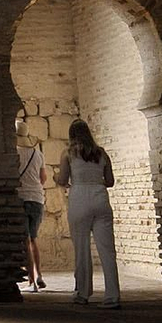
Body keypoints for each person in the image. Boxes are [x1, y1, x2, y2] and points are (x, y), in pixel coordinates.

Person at [53, 119, 120, 309]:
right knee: (107, 251)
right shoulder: (102, 153)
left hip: (79, 198)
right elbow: (110, 181)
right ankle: (112, 296)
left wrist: (56, 177)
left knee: (82, 249)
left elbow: (64, 179)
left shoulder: (68, 153)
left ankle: (82, 293)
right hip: (100, 198)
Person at [15, 119, 47, 293]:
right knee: (34, 239)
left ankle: (31, 282)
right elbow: (43, 179)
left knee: (25, 240)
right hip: (37, 199)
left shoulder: (14, 153)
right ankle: (40, 274)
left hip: (21, 198)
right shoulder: (38, 154)